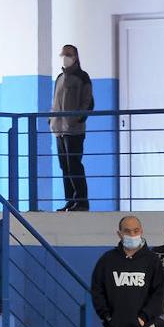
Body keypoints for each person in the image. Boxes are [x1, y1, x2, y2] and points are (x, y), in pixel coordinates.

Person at [50, 44, 94, 211]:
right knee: (65, 166)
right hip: (58, 130)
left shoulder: (82, 77)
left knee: (74, 164)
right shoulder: (60, 77)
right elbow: (55, 102)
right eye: (63, 54)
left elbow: (88, 101)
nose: (65, 57)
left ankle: (81, 201)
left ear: (75, 56)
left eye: (68, 54)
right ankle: (70, 200)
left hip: (73, 129)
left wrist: (78, 118)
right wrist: (51, 119)